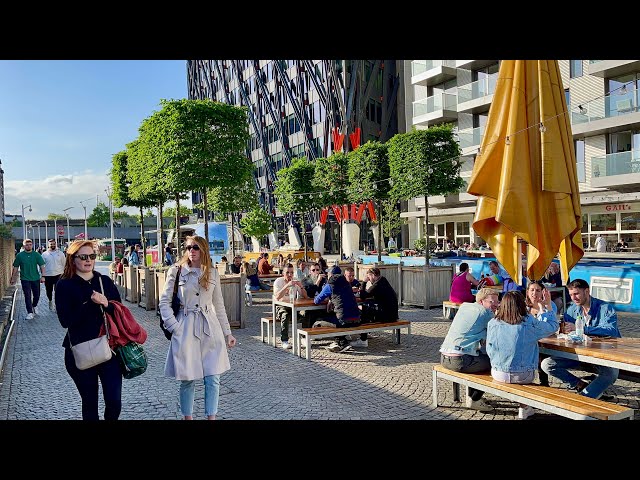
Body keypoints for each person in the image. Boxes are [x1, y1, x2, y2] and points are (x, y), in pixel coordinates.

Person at [159, 235, 237, 420]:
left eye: (195, 247)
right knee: (187, 379)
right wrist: (175, 327)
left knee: (213, 378)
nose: (191, 251)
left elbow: (218, 305)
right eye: (188, 248)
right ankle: (188, 418)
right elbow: (164, 302)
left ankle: (212, 418)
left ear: (203, 249)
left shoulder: (212, 272)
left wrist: (228, 333)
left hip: (210, 327)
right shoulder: (176, 271)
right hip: (185, 326)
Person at [55, 240, 123, 420]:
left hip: (109, 350)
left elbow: (119, 312)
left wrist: (106, 303)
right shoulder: (64, 285)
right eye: (83, 257)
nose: (88, 260)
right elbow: (65, 320)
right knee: (90, 403)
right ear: (72, 259)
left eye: (92, 256)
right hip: (80, 350)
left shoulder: (104, 281)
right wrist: (90, 304)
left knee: (114, 402)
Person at [541, 278, 620, 400]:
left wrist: (582, 329)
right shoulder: (572, 309)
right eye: (571, 294)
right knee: (547, 364)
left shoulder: (605, 308)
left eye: (576, 293)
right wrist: (563, 330)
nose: (573, 298)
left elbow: (611, 330)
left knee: (611, 373)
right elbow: (566, 329)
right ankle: (580, 385)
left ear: (587, 291)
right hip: (581, 355)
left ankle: (583, 399)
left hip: (603, 356)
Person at [487, 290, 558, 419]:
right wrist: (548, 306)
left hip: (498, 372)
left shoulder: (493, 323)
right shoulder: (527, 322)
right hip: (523, 374)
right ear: (522, 305)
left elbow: (489, 349)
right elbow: (552, 326)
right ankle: (524, 407)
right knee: (523, 373)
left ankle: (524, 407)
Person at [439, 287, 500, 412]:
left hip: (444, 357)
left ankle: (471, 397)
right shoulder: (486, 313)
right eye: (491, 302)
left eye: (497, 301)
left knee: (480, 356)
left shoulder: (465, 307)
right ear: (481, 301)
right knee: (497, 364)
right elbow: (498, 335)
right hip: (460, 360)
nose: (496, 305)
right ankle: (475, 399)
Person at [313, 266, 360, 353]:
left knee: (318, 321)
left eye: (328, 273)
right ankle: (340, 341)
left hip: (344, 321)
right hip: (357, 319)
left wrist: (329, 298)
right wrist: (331, 299)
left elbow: (316, 301)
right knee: (336, 317)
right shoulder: (347, 284)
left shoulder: (330, 285)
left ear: (330, 274)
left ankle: (341, 342)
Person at [354, 267, 399, 348]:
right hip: (392, 314)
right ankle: (365, 334)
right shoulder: (383, 281)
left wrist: (364, 282)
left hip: (387, 316)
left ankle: (363, 340)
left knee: (362, 311)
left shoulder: (377, 284)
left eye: (369, 277)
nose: (368, 279)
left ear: (373, 275)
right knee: (364, 308)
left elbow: (363, 296)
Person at [272, 263, 309, 350]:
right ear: (283, 273)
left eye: (292, 273)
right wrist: (287, 285)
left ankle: (304, 337)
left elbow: (305, 296)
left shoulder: (295, 280)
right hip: (280, 306)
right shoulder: (278, 281)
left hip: (293, 306)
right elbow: (277, 297)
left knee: (307, 313)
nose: (290, 275)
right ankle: (284, 340)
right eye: (287, 272)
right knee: (285, 315)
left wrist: (301, 286)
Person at [10, 238, 46, 319]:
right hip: (25, 278)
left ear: (32, 245)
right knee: (27, 295)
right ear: (24, 246)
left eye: (30, 244)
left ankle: (35, 305)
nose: (29, 246)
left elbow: (42, 266)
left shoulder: (36, 255)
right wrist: (13, 278)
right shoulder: (19, 256)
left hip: (35, 278)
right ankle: (29, 312)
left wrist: (43, 276)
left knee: (37, 295)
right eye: (27, 245)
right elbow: (15, 267)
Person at [41, 238, 66, 311]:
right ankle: (50, 301)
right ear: (48, 245)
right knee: (49, 291)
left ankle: (56, 305)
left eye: (54, 244)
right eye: (51, 244)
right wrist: (42, 275)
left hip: (58, 274)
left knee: (57, 290)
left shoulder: (60, 253)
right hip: (48, 275)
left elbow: (64, 264)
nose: (53, 245)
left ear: (56, 244)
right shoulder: (44, 254)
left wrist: (65, 274)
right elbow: (42, 266)